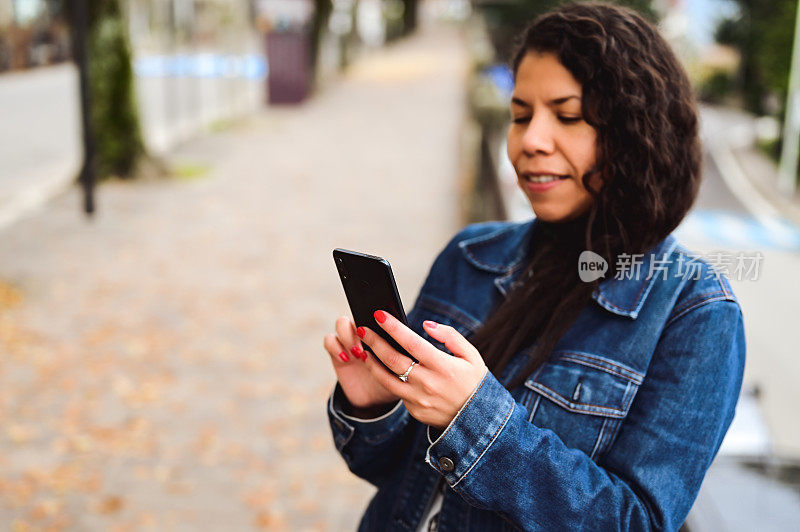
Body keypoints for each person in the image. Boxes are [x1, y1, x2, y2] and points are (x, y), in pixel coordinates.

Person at [322, 3, 746, 531]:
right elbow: (391, 471)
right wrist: (375, 406)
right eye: (521, 115)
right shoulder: (470, 256)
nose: (530, 141)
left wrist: (475, 419)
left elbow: (633, 521)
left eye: (566, 116)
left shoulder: (695, 313)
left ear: (638, 131)